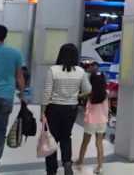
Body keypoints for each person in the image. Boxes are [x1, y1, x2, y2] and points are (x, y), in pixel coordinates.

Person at [41, 44, 91, 175]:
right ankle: (67, 163)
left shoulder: (53, 70)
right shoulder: (80, 71)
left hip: (53, 108)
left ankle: (51, 170)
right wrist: (76, 95)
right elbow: (88, 90)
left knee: (51, 138)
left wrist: (42, 112)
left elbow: (46, 92)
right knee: (65, 137)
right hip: (71, 109)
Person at [0, 25, 26, 174]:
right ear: (5, 36)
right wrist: (23, 95)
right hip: (6, 98)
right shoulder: (15, 53)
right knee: (0, 132)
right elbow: (19, 77)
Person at [75, 72, 109, 174]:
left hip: (91, 121)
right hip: (102, 121)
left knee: (85, 142)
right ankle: (100, 167)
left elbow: (79, 96)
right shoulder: (106, 92)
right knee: (99, 143)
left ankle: (80, 162)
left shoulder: (90, 93)